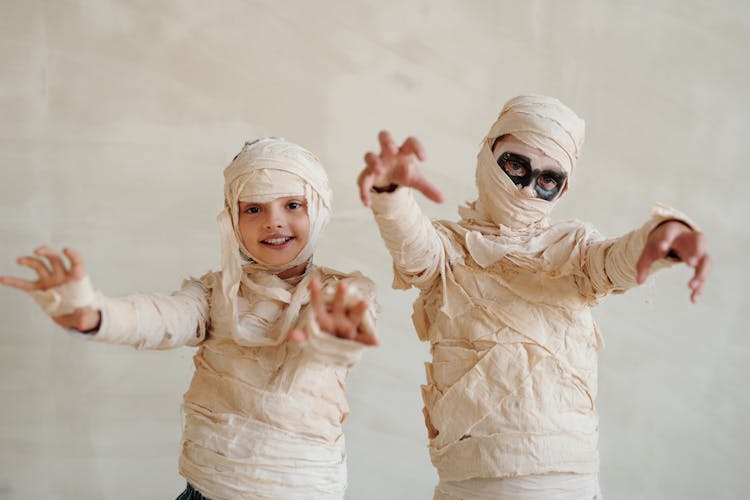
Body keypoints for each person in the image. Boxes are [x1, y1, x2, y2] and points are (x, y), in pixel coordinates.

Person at [356, 95, 710, 499]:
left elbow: (614, 262)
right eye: (515, 167)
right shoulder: (450, 249)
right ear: (488, 157)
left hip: (566, 479)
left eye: (547, 180)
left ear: (562, 187)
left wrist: (665, 237)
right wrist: (391, 195)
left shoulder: (573, 249)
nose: (526, 190)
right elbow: (415, 250)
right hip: (469, 484)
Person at [1, 137, 378, 499]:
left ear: (321, 208)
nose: (273, 222)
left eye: (293, 205)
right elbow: (161, 317)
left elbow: (345, 337)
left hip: (304, 488)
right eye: (253, 209)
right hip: (206, 489)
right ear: (232, 218)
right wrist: (93, 313)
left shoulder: (345, 293)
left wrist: (335, 337)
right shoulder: (214, 293)